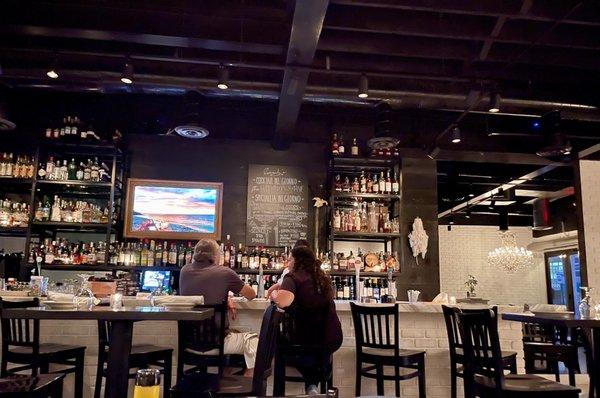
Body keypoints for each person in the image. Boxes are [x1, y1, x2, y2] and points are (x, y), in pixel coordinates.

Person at [269, 245, 343, 395]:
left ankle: (299, 387)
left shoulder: (292, 277)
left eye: (289, 259)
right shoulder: (322, 277)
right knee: (316, 353)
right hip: (330, 338)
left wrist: (275, 295)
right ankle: (314, 382)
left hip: (304, 340)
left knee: (280, 343)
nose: (288, 263)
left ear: (297, 261)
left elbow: (284, 301)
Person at [179, 238, 257, 376]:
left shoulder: (184, 271)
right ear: (216, 255)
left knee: (232, 349)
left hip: (189, 344)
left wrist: (226, 297)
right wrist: (229, 295)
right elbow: (251, 294)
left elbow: (202, 292)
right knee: (255, 341)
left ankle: (224, 382)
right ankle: (247, 386)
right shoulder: (225, 273)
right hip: (217, 342)